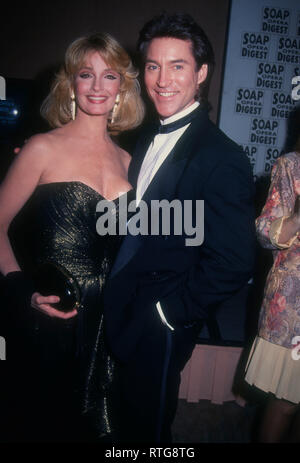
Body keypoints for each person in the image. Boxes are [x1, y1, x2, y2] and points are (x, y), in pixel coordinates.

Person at [100, 12, 256, 442]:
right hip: (122, 307)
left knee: (147, 427)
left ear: (202, 73)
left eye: (178, 66)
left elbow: (234, 261)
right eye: (153, 66)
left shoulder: (222, 157)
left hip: (163, 319)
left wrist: (169, 315)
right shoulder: (147, 136)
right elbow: (139, 226)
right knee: (118, 415)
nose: (162, 79)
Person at [0, 32, 144, 441]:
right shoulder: (41, 149)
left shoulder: (132, 162)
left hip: (109, 319)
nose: (98, 86)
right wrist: (21, 289)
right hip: (50, 312)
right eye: (86, 74)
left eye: (109, 76)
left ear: (122, 88)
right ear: (71, 84)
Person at [245, 136, 300, 443]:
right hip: (296, 305)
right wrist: (296, 218)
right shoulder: (292, 165)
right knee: (287, 404)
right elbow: (264, 232)